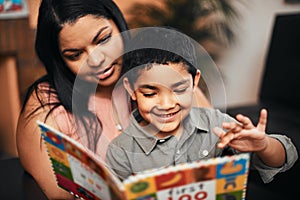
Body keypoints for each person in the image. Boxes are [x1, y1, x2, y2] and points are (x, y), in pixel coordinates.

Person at [15, 1, 211, 199]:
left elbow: (213, 144)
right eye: (75, 55)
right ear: (60, 60)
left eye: (103, 40)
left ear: (118, 23)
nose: (96, 60)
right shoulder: (46, 105)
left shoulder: (154, 67)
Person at [106, 28, 298, 181]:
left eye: (179, 90)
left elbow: (285, 159)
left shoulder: (216, 124)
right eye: (150, 94)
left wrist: (264, 146)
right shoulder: (120, 151)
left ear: (195, 81)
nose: (166, 104)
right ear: (131, 89)